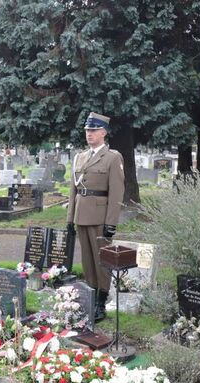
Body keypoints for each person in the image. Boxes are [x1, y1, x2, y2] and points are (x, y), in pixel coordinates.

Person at [67, 112, 125, 322]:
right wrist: (69, 218)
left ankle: (101, 301)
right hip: (82, 215)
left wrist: (111, 223)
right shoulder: (80, 157)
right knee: (87, 261)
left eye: (93, 130)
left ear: (104, 132)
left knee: (102, 262)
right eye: (87, 131)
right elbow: (73, 190)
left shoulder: (112, 157)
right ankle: (90, 297)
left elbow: (117, 192)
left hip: (100, 217)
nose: (89, 134)